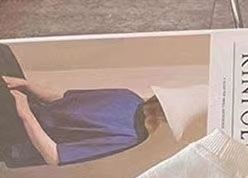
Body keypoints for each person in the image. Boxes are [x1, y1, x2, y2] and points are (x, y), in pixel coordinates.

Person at [1, 43, 167, 168]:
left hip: (22, 138)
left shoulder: (131, 136)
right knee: (3, 53)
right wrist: (26, 85)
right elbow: (62, 98)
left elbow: (54, 155)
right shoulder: (129, 97)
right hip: (30, 110)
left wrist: (24, 113)